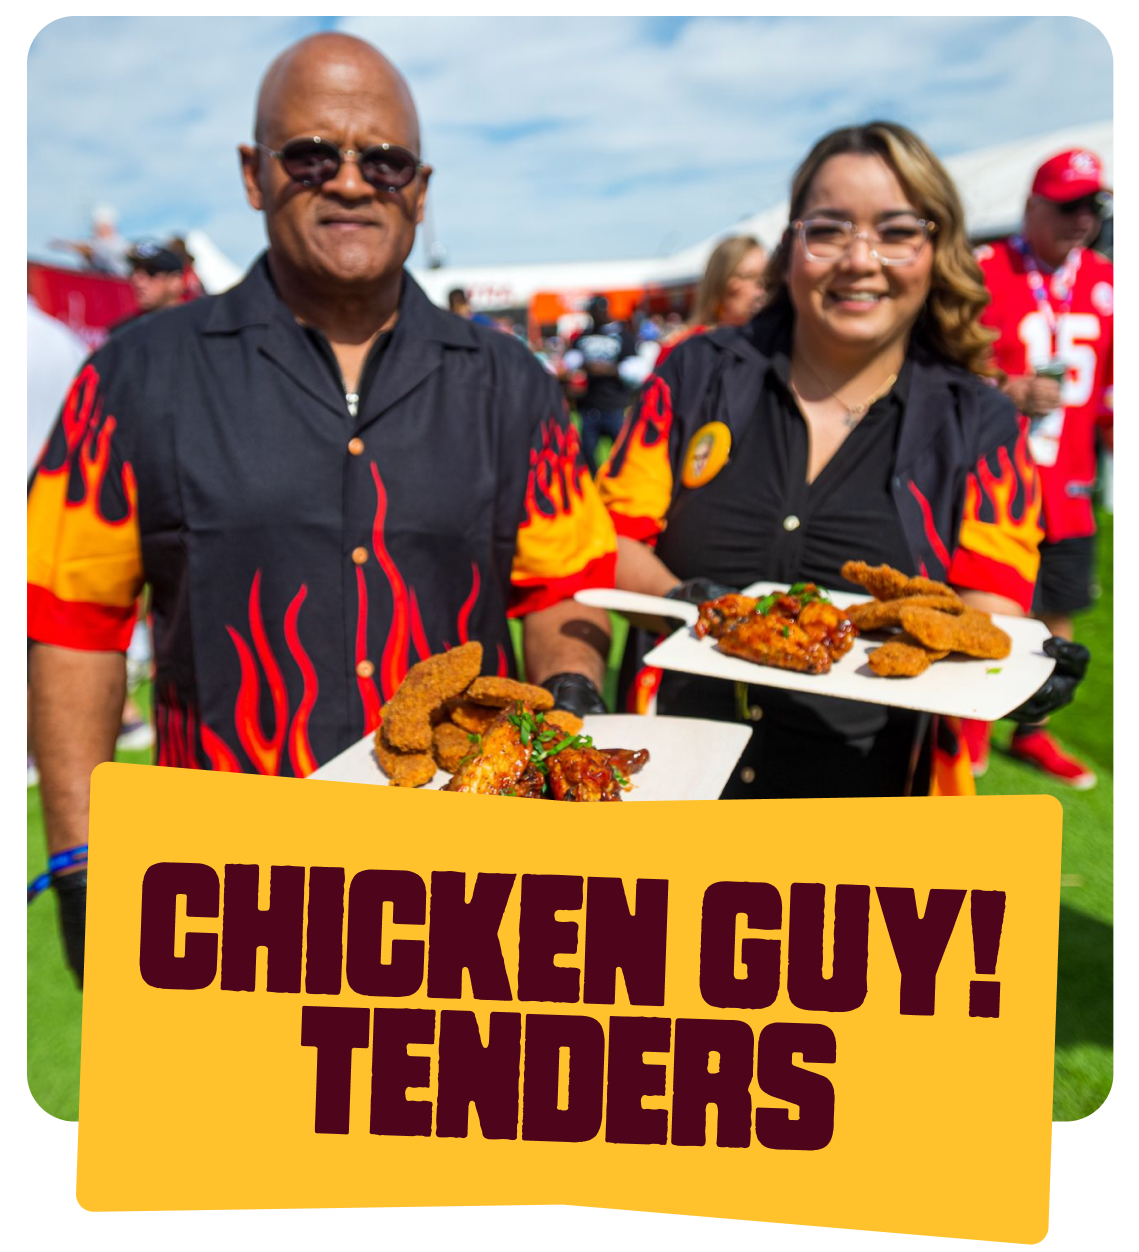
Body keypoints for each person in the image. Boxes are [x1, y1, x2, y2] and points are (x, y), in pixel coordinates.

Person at [27, 33, 615, 986]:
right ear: (255, 175)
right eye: (311, 155)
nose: (350, 181)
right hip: (222, 894)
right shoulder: (135, 377)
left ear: (418, 189)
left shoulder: (511, 384)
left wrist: (571, 704)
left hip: (464, 886)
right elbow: (72, 629)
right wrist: (81, 858)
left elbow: (564, 587)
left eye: (383, 160)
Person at [598, 121, 1082, 800]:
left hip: (867, 802)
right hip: (666, 779)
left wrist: (1023, 669)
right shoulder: (695, 373)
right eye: (827, 229)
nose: (860, 258)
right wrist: (698, 608)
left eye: (895, 230)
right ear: (791, 244)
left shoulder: (980, 420)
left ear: (936, 247)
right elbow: (611, 539)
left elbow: (986, 606)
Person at [964, 149, 1114, 787]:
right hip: (992, 479)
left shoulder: (1105, 279)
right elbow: (943, 365)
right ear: (1031, 207)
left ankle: (1034, 729)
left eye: (1095, 207)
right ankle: (965, 728)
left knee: (1059, 607)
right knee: (982, 601)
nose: (1083, 219)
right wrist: (1004, 387)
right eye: (1069, 205)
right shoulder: (985, 269)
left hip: (1071, 478)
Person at [655, 234, 768, 368]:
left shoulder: (773, 344)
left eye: (766, 276)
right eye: (748, 276)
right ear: (720, 281)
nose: (761, 288)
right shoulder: (683, 348)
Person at [562, 295, 639, 472]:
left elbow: (637, 369)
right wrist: (582, 367)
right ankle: (596, 486)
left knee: (623, 453)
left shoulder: (622, 334)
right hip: (589, 405)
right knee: (588, 453)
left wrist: (609, 369)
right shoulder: (584, 335)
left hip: (615, 404)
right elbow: (570, 361)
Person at [111, 242, 191, 332]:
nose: (137, 281)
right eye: (133, 272)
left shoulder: (200, 323)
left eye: (151, 272)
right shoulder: (123, 332)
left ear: (176, 281)